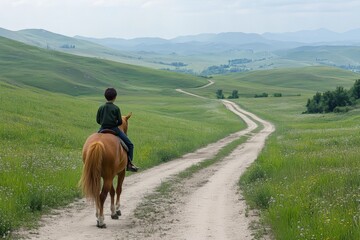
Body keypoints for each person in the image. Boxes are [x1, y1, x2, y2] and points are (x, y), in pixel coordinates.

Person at [96, 87, 138, 172]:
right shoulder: (116, 108)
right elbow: (119, 122)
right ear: (115, 97)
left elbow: (98, 120)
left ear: (105, 97)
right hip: (114, 129)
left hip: (102, 129)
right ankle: (129, 164)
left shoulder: (101, 107)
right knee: (130, 145)